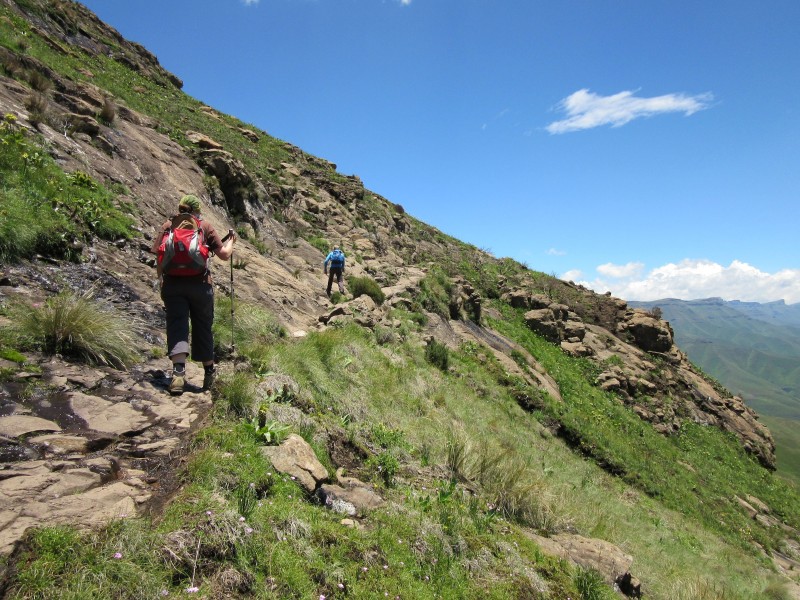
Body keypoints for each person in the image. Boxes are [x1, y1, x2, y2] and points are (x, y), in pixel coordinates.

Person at [151, 194, 236, 395]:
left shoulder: (168, 226)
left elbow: (160, 256)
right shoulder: (204, 226)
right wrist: (232, 240)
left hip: (173, 285)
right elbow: (224, 254)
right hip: (200, 286)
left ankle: (178, 375)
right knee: (203, 326)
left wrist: (161, 281)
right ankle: (209, 375)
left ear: (180, 208)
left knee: (177, 324)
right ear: (197, 209)